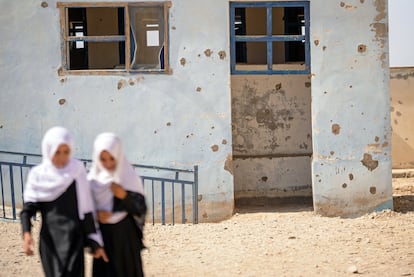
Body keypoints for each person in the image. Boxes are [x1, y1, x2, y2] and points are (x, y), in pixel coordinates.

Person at [20, 126, 108, 277]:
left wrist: (94, 241)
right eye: (57, 152)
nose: (61, 157)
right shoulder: (38, 175)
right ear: (48, 150)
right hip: (50, 241)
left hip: (74, 239)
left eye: (66, 152)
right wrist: (27, 233)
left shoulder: (77, 171)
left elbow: (86, 208)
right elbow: (28, 209)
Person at [88, 133, 147, 277]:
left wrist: (124, 196)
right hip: (103, 238)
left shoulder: (128, 177)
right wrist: (96, 216)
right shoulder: (91, 181)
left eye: (112, 158)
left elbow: (141, 209)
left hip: (126, 238)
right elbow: (83, 210)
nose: (107, 164)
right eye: (103, 159)